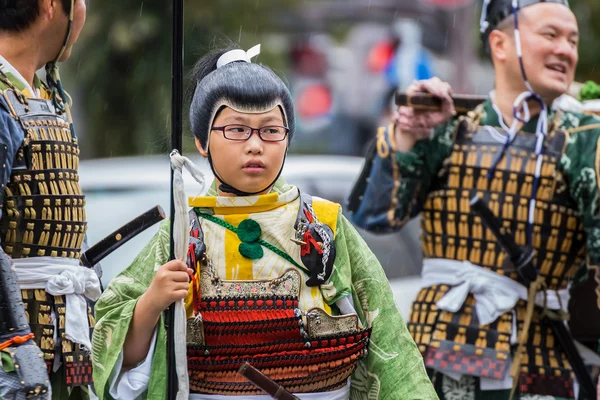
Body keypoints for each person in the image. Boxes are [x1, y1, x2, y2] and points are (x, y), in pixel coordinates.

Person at [90, 43, 438, 400]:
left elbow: (388, 340)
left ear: (287, 138)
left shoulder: (324, 224)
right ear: (201, 141)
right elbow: (115, 354)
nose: (255, 145)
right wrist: (151, 301)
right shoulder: (180, 235)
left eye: (271, 130)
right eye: (237, 129)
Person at [347, 0, 600, 399]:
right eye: (550, 35)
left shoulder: (586, 137)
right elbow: (374, 217)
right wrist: (407, 137)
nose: (566, 50)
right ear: (500, 44)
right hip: (441, 347)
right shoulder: (450, 128)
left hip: (542, 354)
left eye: (573, 40)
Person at [0, 0, 100, 399]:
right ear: (49, 6)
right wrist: (15, 342)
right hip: (14, 349)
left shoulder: (45, 97)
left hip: (61, 339)